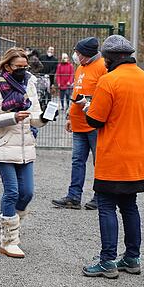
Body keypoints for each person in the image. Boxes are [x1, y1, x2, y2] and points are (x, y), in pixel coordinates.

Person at [82, 35, 144, 279]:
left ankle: (108, 261)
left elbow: (95, 119)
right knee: (129, 206)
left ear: (110, 58)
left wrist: (87, 108)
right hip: (139, 158)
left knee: (106, 205)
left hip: (114, 157)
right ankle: (132, 258)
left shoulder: (108, 80)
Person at [0, 47, 54, 258]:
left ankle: (8, 221)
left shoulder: (29, 83)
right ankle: (9, 240)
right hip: (4, 146)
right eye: (18, 67)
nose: (23, 70)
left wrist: (45, 118)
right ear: (7, 66)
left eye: (25, 67)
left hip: (25, 147)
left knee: (27, 193)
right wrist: (13, 117)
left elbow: (34, 117)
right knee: (12, 191)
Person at [52, 37, 105, 211]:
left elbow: (105, 96)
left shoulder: (103, 67)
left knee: (100, 162)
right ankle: (74, 197)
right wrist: (69, 116)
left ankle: (100, 197)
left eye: (77, 52)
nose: (75, 55)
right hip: (78, 124)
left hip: (94, 125)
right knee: (77, 161)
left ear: (86, 54)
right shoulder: (81, 67)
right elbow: (76, 92)